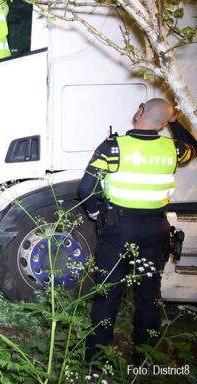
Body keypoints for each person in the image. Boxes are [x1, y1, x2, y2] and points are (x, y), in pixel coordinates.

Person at [80, 98, 196, 365]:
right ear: (165, 122)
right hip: (155, 231)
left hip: (119, 229)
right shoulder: (173, 149)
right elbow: (192, 147)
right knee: (149, 294)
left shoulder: (114, 147)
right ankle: (145, 358)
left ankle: (96, 357)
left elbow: (86, 188)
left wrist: (96, 213)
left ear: (140, 112)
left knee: (108, 292)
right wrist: (175, 122)